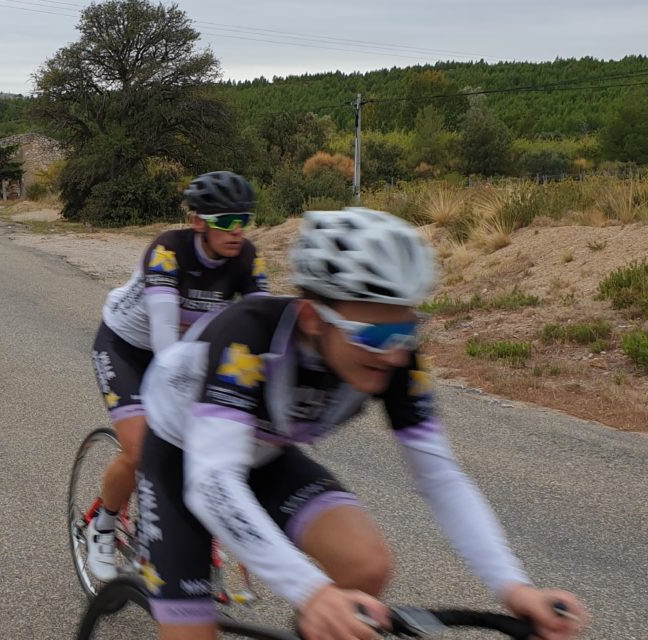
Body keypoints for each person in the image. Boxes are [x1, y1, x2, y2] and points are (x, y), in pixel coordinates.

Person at [135, 207, 589, 640]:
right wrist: (311, 592)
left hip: (264, 450)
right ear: (313, 318)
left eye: (406, 331)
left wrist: (515, 588)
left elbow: (440, 476)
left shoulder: (394, 358)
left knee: (366, 566)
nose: (392, 353)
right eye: (372, 335)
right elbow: (211, 482)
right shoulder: (248, 337)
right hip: (184, 456)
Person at [85, 171, 267, 581]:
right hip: (127, 347)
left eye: (244, 220)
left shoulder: (246, 257)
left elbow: (265, 327)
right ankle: (104, 525)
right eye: (226, 221)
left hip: (191, 354)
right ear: (198, 221)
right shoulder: (168, 250)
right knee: (141, 450)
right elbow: (165, 338)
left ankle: (174, 534)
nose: (236, 231)